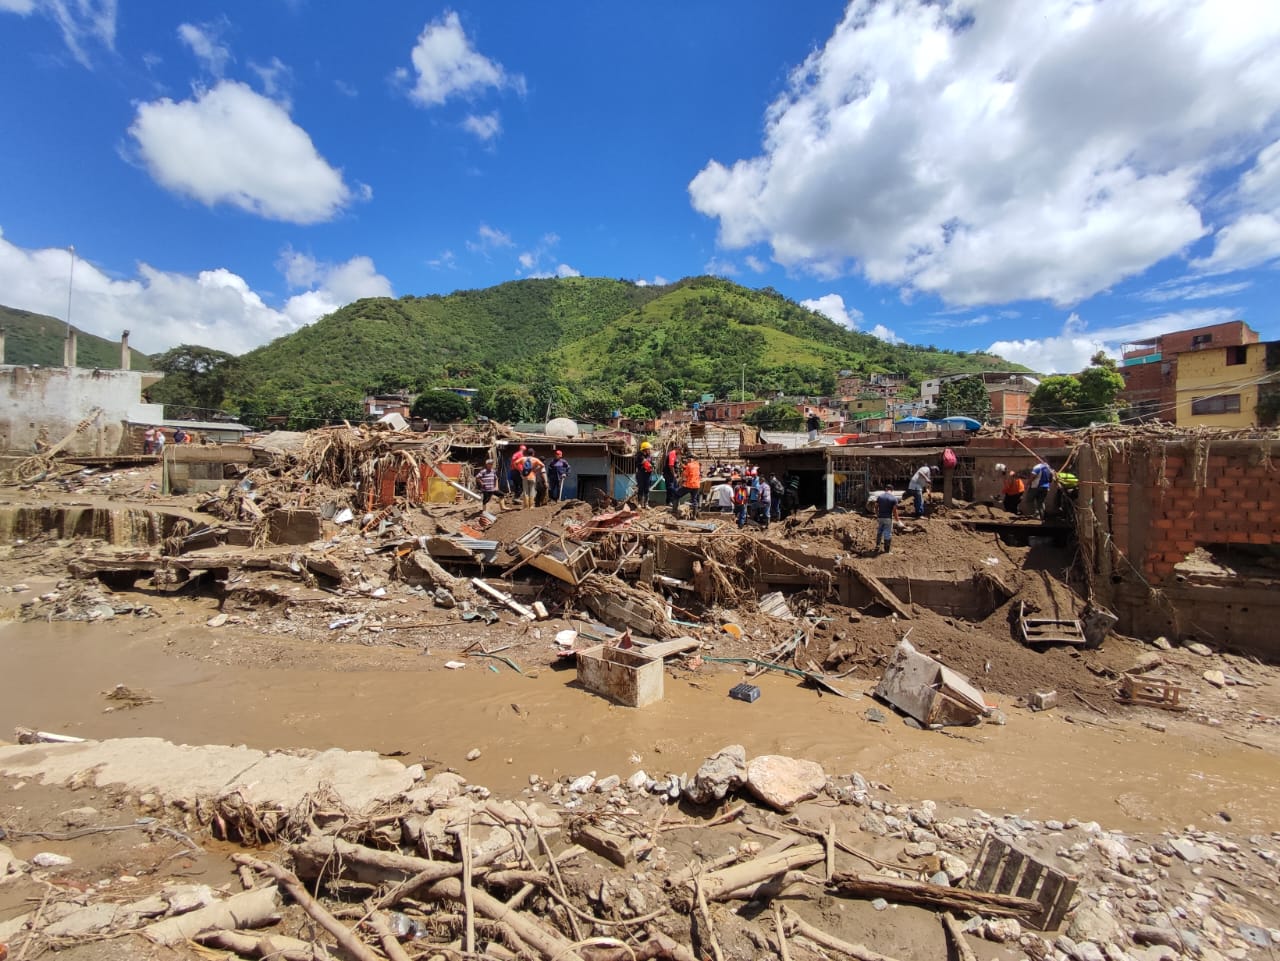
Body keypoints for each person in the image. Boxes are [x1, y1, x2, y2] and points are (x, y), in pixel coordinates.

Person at [671, 452, 702, 517]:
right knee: (694, 500)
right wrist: (684, 466)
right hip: (696, 485)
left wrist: (681, 481)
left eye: (687, 459)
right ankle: (694, 516)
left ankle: (674, 511)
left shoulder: (689, 465)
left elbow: (685, 475)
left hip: (689, 485)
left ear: (690, 459)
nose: (687, 461)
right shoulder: (697, 465)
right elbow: (690, 469)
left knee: (676, 495)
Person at [874, 489, 900, 554]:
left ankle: (877, 546)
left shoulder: (880, 497)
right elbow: (894, 511)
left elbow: (876, 506)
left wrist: (877, 514)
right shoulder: (894, 498)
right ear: (892, 490)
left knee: (880, 530)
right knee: (887, 533)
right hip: (888, 518)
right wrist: (897, 520)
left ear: (886, 490)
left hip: (880, 517)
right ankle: (886, 550)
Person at [636, 441, 654, 507]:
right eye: (648, 449)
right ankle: (639, 503)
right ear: (645, 449)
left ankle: (646, 504)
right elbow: (638, 464)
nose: (650, 450)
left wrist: (652, 466)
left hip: (648, 475)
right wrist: (644, 464)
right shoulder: (639, 456)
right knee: (641, 488)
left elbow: (651, 464)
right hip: (641, 474)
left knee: (647, 489)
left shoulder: (649, 456)